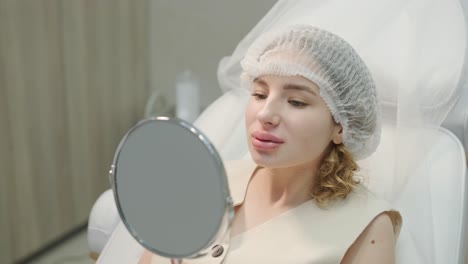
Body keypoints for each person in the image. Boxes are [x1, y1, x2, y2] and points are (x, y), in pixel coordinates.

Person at [140, 24, 402, 264]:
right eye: (259, 94)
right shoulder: (203, 179)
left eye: (296, 102)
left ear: (342, 125)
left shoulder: (367, 226)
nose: (265, 114)